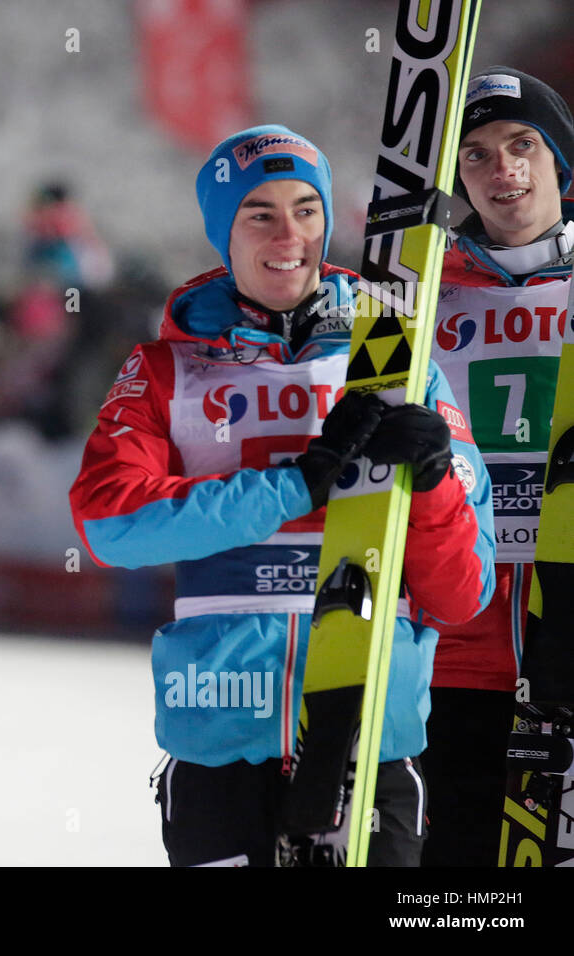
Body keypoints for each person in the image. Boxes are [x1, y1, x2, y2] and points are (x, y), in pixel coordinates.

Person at [68, 125, 495, 866]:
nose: (288, 233)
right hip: (221, 735)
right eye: (259, 213)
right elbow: (113, 521)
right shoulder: (168, 367)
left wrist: (428, 485)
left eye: (306, 209)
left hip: (372, 736)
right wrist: (295, 484)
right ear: (222, 231)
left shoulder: (397, 361)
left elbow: (463, 595)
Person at [422, 67, 574, 867]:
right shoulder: (416, 302)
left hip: (569, 626)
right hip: (457, 639)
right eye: (476, 155)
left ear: (560, 163)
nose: (503, 169)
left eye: (524, 145)